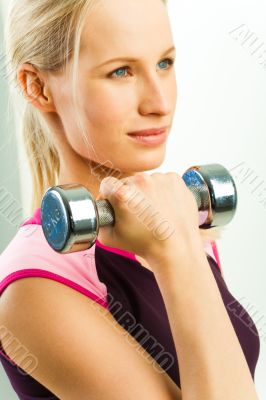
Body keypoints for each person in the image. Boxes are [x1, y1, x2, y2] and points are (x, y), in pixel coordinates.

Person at [0, 0, 260, 399]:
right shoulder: (32, 292)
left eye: (165, 63)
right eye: (121, 71)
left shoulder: (174, 216)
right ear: (38, 86)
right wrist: (177, 253)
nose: (159, 104)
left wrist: (178, 246)